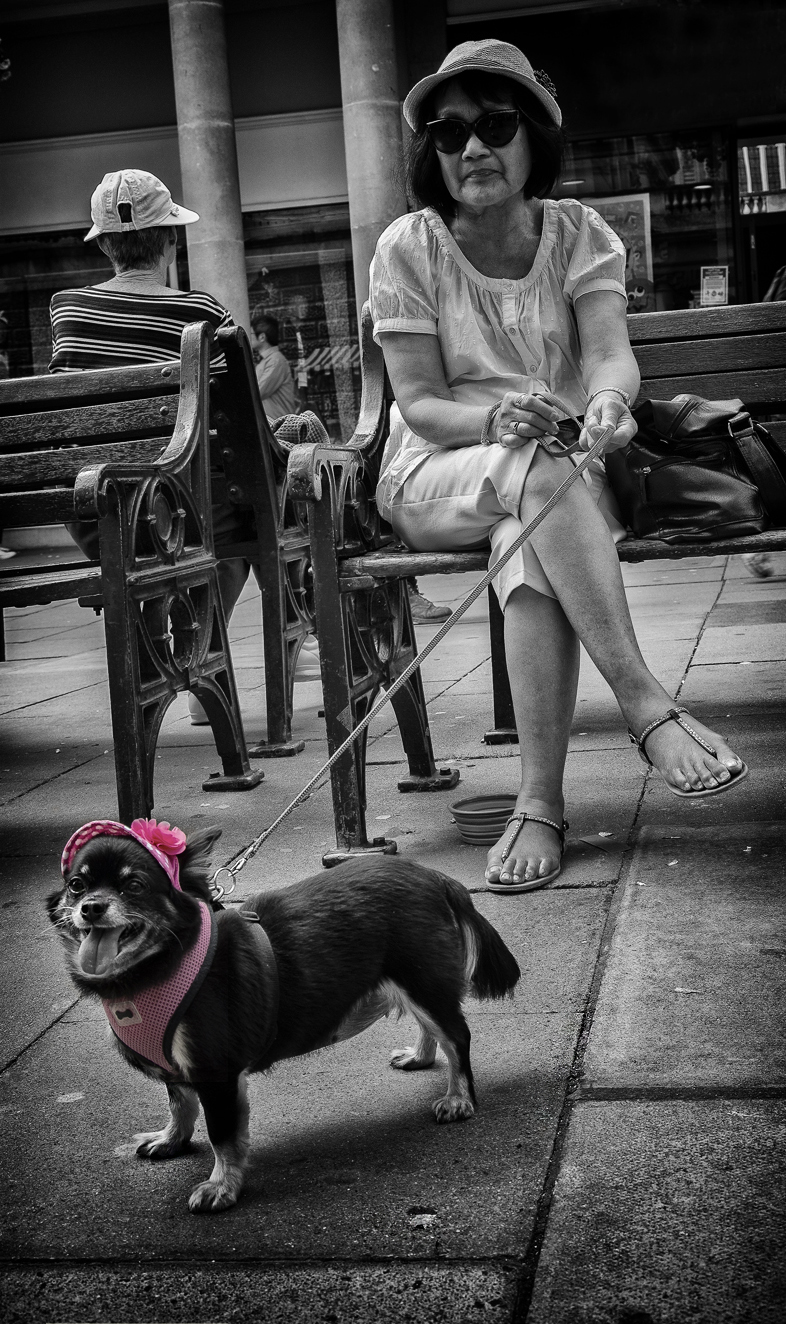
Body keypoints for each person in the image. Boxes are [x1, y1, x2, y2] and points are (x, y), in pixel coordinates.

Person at [368, 39, 747, 893]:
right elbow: (420, 401)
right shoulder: (408, 246)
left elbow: (611, 358)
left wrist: (609, 402)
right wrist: (495, 416)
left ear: (534, 134)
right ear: (431, 149)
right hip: (438, 472)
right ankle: (646, 704)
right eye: (449, 130)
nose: (472, 147)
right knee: (533, 469)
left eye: (495, 124)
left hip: (558, 480)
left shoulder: (579, 232)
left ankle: (540, 805)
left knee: (522, 552)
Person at [49, 169, 254, 722]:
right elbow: (242, 420)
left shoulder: (66, 311)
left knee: (169, 523)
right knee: (235, 543)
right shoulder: (203, 314)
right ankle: (198, 657)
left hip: (102, 512)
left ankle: (159, 663)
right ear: (169, 240)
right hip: (190, 512)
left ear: (107, 245)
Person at [249, 312, 297, 421]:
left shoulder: (276, 361)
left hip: (280, 428)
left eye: (251, 333)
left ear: (262, 337)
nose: (248, 337)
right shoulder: (267, 361)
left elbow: (257, 392)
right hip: (272, 426)